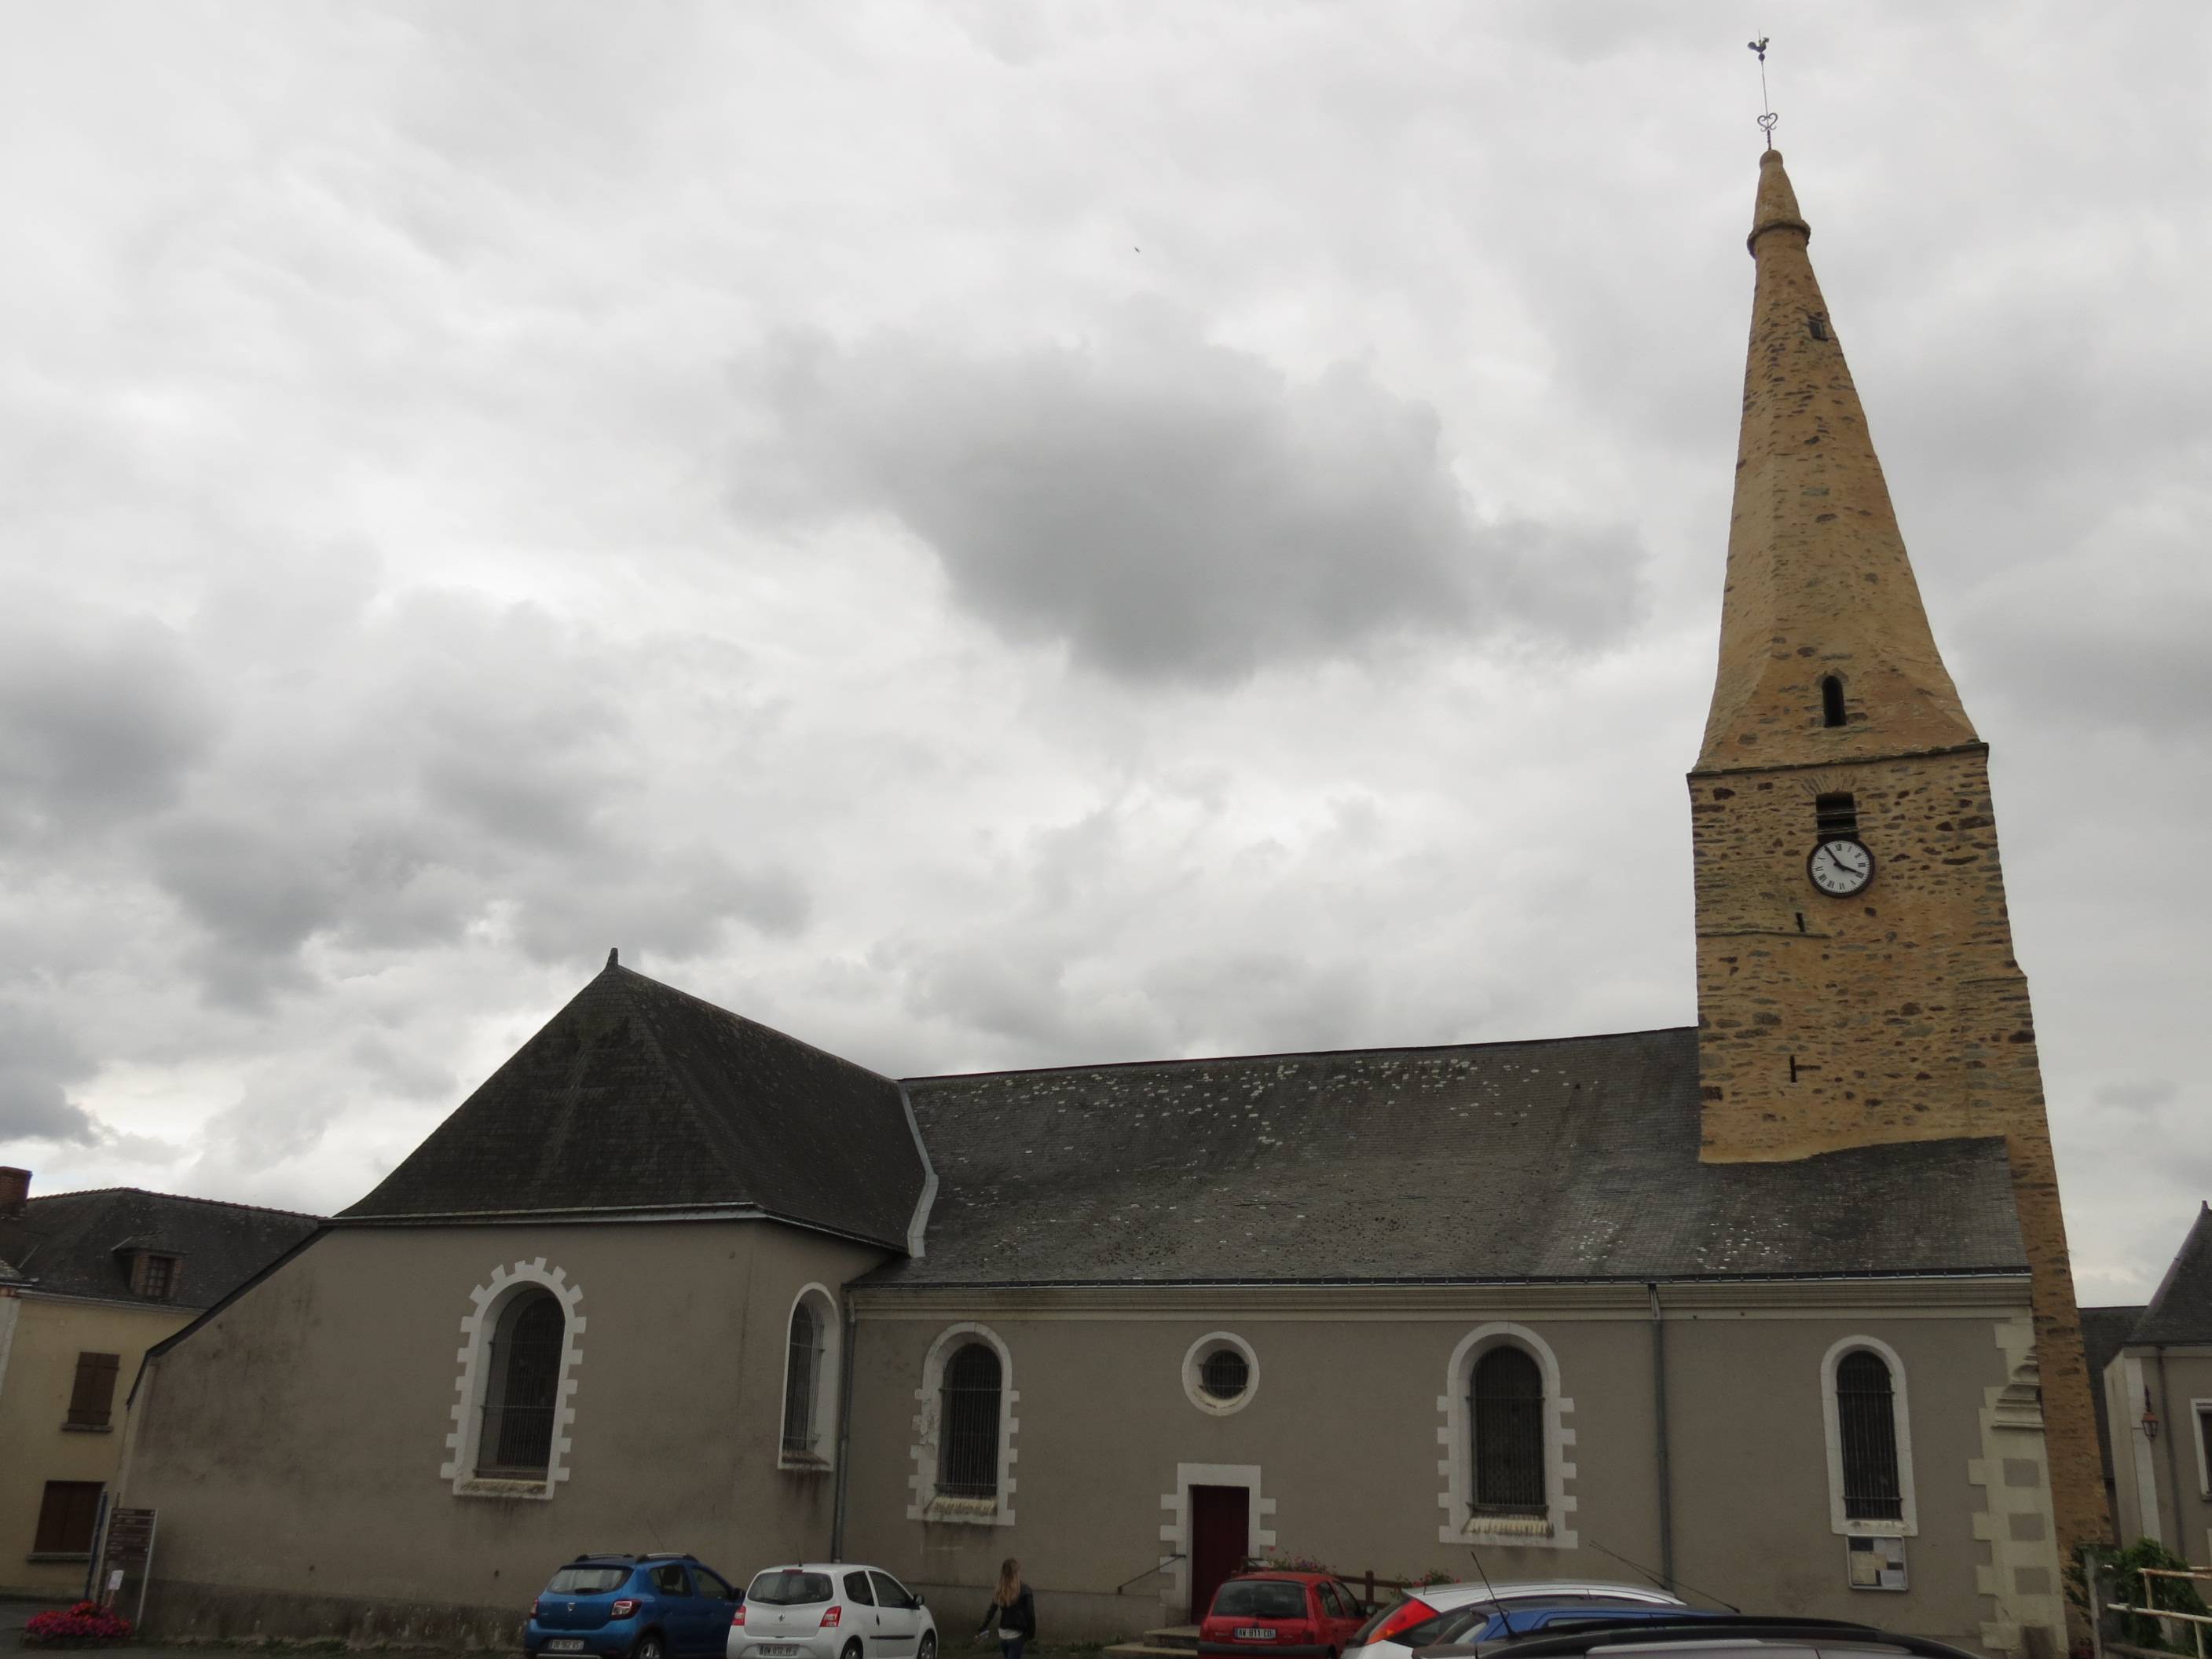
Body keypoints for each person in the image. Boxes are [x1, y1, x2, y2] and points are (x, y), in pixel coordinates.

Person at [976, 1558, 1036, 1659]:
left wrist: (981, 1629)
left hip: (1003, 1635)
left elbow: (991, 1612)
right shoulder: (1025, 1589)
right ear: (1016, 1572)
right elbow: (1030, 1614)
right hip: (1016, 1635)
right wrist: (1031, 1634)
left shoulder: (1000, 1589)